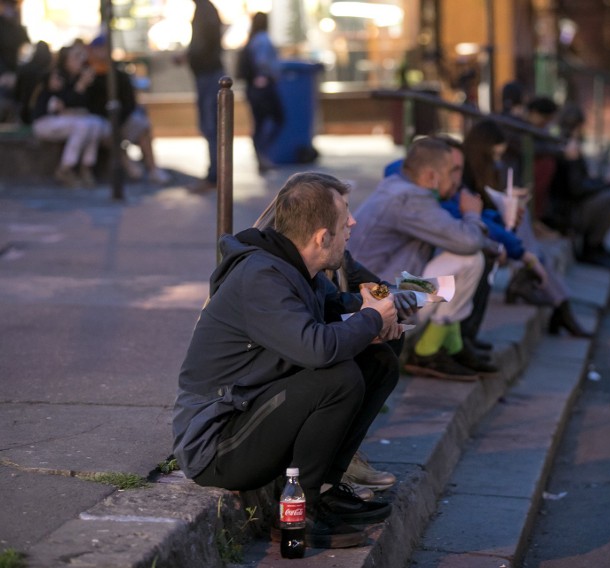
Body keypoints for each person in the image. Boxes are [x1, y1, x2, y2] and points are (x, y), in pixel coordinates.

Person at [173, 172, 402, 549]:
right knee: (337, 378)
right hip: (218, 443)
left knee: (377, 360)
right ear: (321, 237)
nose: (353, 223)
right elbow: (316, 348)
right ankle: (298, 512)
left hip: (255, 411)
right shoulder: (262, 277)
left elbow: (338, 307)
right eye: (345, 217)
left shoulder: (297, 268)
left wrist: (380, 312)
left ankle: (324, 489)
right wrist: (372, 318)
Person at [348, 137, 496, 381]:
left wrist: (492, 243)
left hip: (381, 286)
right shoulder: (410, 199)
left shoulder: (399, 187)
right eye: (452, 172)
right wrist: (473, 216)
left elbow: (447, 233)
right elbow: (467, 241)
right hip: (380, 293)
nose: (457, 181)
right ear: (431, 176)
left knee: (463, 261)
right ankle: (428, 351)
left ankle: (451, 344)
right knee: (469, 260)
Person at [461, 118, 592, 338]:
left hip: (486, 227)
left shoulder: (483, 170)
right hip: (471, 233)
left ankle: (555, 300)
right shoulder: (463, 174)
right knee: (527, 241)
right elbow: (473, 212)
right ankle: (559, 304)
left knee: (523, 222)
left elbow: (485, 207)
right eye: (494, 155)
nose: (497, 161)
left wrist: (506, 200)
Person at [525, 96, 610, 269]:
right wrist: (606, 185)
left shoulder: (562, 144)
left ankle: (596, 247)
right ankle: (591, 248)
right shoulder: (564, 146)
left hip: (568, 206)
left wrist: (603, 183)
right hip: (566, 211)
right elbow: (576, 188)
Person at [86, 35, 170, 184]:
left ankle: (152, 168)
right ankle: (127, 162)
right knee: (103, 130)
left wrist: (119, 118)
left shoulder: (118, 73)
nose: (101, 53)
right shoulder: (86, 75)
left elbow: (129, 102)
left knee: (142, 125)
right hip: (100, 121)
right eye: (97, 50)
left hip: (122, 118)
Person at [30, 42, 110, 186]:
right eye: (76, 57)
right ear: (65, 60)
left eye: (82, 56)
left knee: (95, 123)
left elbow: (87, 106)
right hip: (45, 121)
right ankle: (65, 168)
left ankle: (86, 167)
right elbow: (61, 104)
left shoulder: (79, 77)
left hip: (68, 121)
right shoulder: (57, 76)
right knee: (82, 125)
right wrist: (81, 86)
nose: (81, 60)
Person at [180, 0, 224, 193]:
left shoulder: (205, 10)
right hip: (207, 72)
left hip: (208, 73)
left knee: (210, 126)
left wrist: (188, 56)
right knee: (211, 126)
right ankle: (214, 174)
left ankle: (214, 175)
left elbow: (203, 45)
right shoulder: (206, 9)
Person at [239, 12, 285, 174]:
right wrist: (265, 76)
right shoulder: (262, 40)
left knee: (260, 122)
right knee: (275, 119)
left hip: (254, 87)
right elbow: (263, 61)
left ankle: (262, 156)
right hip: (263, 86)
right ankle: (263, 155)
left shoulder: (252, 39)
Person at [0, 0, 28, 123]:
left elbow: (26, 50)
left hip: (17, 70)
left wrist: (17, 72)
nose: (10, 8)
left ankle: (21, 116)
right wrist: (4, 73)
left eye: (12, 5)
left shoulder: (19, 28)